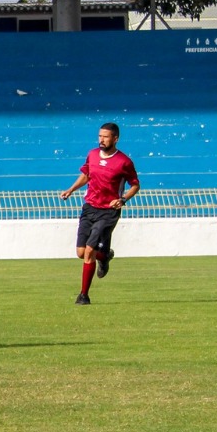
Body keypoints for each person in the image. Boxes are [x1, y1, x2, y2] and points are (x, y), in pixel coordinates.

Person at [59, 122, 139, 305]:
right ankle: (105, 256)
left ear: (115, 139)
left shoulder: (124, 161)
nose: (101, 140)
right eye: (100, 136)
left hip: (108, 212)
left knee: (89, 252)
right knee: (81, 252)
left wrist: (123, 199)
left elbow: (135, 185)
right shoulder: (92, 154)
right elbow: (87, 174)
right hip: (90, 207)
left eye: (106, 136)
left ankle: (83, 295)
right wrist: (71, 189)